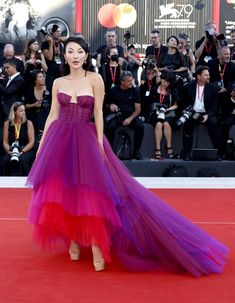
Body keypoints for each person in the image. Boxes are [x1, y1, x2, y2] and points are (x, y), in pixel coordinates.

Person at [27, 36, 228, 276]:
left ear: (86, 54)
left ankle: (95, 244)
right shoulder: (58, 81)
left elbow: (99, 115)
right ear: (65, 55)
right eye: (70, 51)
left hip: (86, 137)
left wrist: (100, 145)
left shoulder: (95, 79)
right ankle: (72, 240)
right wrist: (42, 144)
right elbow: (52, 114)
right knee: (65, 188)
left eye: (79, 51)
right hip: (59, 139)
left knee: (91, 191)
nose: (75, 56)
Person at [181, 65, 221, 160]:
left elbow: (215, 106)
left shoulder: (213, 88)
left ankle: (219, 153)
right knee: (187, 124)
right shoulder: (189, 87)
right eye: (206, 75)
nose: (209, 77)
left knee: (214, 124)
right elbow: (184, 102)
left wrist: (208, 115)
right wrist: (187, 110)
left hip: (207, 113)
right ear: (199, 76)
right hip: (193, 112)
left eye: (208, 75)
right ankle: (186, 154)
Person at [104, 71, 144, 160]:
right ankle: (109, 151)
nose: (131, 82)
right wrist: (110, 105)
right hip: (117, 116)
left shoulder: (135, 91)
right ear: (122, 82)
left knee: (140, 127)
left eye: (132, 80)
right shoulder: (114, 90)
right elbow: (105, 104)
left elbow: (138, 110)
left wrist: (130, 119)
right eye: (129, 81)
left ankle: (136, 151)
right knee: (110, 127)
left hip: (131, 116)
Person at [0, 102, 35, 176]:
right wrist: (9, 150)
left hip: (25, 149)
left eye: (24, 110)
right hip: (12, 149)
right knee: (5, 160)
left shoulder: (28, 123)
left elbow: (31, 142)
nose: (24, 113)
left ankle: (25, 182)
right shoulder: (7, 123)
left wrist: (22, 151)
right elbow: (5, 142)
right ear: (15, 112)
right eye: (21, 111)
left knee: (23, 160)